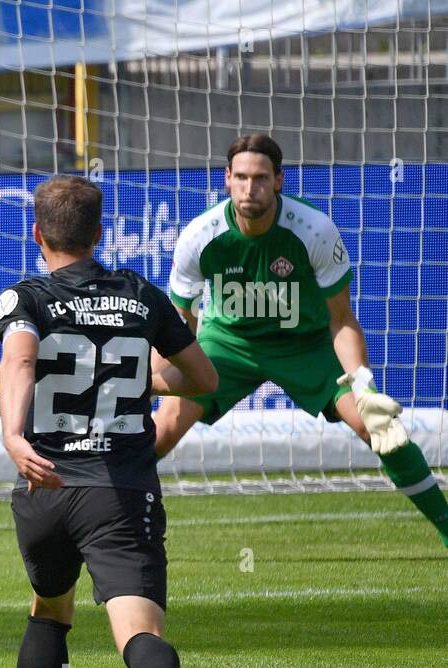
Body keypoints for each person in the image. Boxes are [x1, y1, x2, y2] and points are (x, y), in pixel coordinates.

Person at [0, 175, 219, 668]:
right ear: (100, 234)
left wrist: (13, 434)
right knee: (135, 630)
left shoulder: (25, 297)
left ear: (37, 235)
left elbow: (19, 362)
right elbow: (200, 379)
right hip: (118, 490)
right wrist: (139, 371)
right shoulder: (140, 295)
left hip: (45, 487)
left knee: (49, 611)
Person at [155, 133, 448, 547]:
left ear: (279, 180)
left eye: (259, 178)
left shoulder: (314, 229)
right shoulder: (199, 236)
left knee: (379, 428)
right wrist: (154, 380)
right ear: (226, 179)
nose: (248, 187)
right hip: (227, 344)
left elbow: (342, 320)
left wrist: (364, 385)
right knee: (162, 430)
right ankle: (107, 522)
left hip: (307, 344)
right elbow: (178, 326)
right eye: (240, 177)